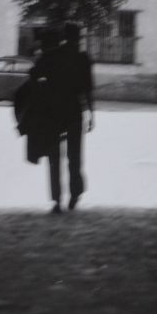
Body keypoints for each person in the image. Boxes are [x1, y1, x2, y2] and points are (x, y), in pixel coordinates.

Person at [29, 22, 94, 214]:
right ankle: (75, 195)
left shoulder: (51, 55)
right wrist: (91, 114)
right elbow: (88, 90)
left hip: (53, 112)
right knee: (75, 156)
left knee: (54, 157)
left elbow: (33, 74)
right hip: (74, 112)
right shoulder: (83, 58)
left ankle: (57, 200)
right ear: (77, 37)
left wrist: (44, 88)